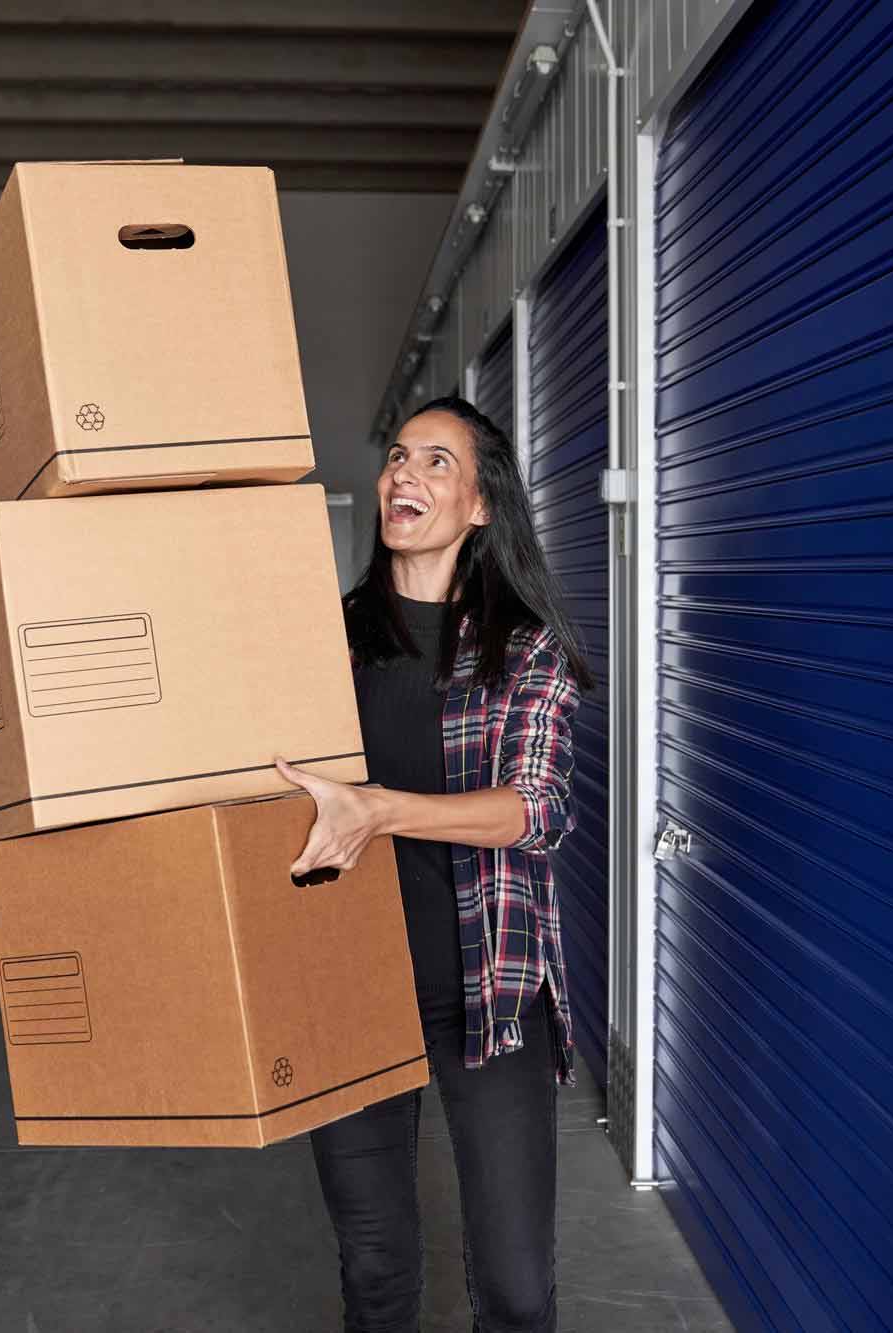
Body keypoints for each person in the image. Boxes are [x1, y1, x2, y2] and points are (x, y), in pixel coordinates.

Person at [274, 395, 594, 1333]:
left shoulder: (523, 652)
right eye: (398, 457)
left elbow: (535, 808)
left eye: (437, 462)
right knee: (375, 1274)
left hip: (486, 992)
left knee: (516, 1286)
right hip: (351, 993)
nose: (404, 474)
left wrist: (381, 811)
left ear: (482, 506)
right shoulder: (321, 647)